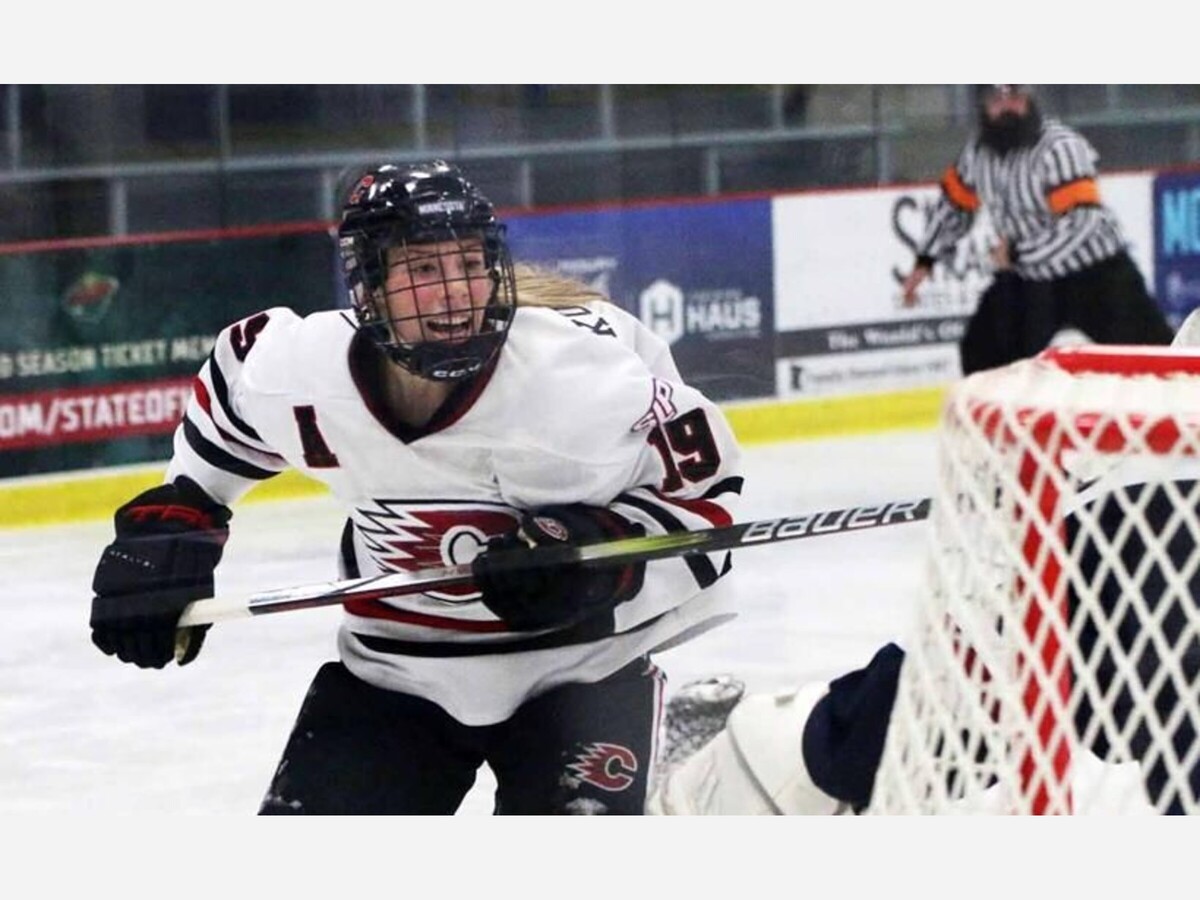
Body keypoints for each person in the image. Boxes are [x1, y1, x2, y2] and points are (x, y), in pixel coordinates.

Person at [88, 159, 744, 815]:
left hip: (582, 673)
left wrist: (592, 556)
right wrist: (179, 521)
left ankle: (678, 780)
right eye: (424, 271)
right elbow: (226, 412)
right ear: (368, 287)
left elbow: (705, 502)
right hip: (396, 669)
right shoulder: (301, 371)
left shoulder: (578, 381)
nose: (454, 293)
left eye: (468, 265)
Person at [650, 313, 1200, 817]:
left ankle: (768, 763)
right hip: (1151, 532)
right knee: (975, 688)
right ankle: (741, 773)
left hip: (1141, 529)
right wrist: (1090, 463)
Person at [901, 84, 1174, 376]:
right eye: (997, 99)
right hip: (1030, 280)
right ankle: (1002, 420)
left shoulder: (1059, 146)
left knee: (1156, 361)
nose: (1007, 107)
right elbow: (954, 207)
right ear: (982, 106)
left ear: (1030, 101)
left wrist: (1018, 254)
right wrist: (925, 259)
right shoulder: (977, 153)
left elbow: (1081, 221)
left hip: (1095, 275)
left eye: (1015, 97)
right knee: (982, 352)